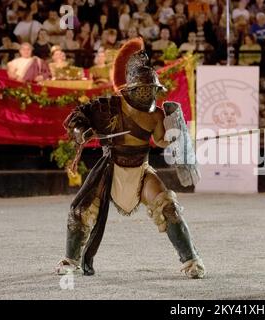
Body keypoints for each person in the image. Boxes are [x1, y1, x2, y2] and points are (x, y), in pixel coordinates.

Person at [55, 38, 205, 279]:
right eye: (143, 89)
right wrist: (81, 131)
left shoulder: (156, 115)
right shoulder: (110, 105)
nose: (147, 93)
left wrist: (177, 134)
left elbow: (162, 141)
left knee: (169, 208)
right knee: (80, 210)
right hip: (110, 169)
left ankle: (191, 260)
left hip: (141, 171)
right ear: (132, 88)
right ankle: (70, 259)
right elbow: (77, 116)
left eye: (150, 89)